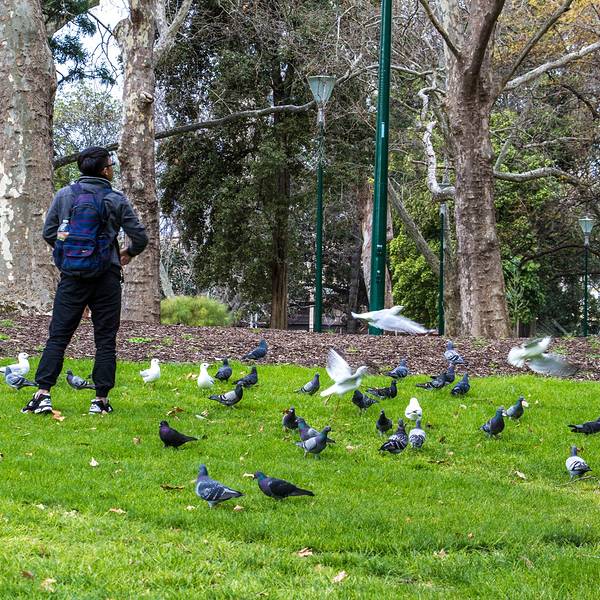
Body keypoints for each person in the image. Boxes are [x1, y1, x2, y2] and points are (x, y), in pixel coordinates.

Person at [22, 146, 148, 416]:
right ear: (104, 170)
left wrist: (70, 253)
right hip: (106, 277)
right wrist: (127, 253)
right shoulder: (116, 199)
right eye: (111, 165)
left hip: (72, 277)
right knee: (105, 340)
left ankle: (42, 394)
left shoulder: (65, 195)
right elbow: (140, 237)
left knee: (58, 336)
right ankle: (100, 400)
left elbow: (49, 232)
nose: (112, 168)